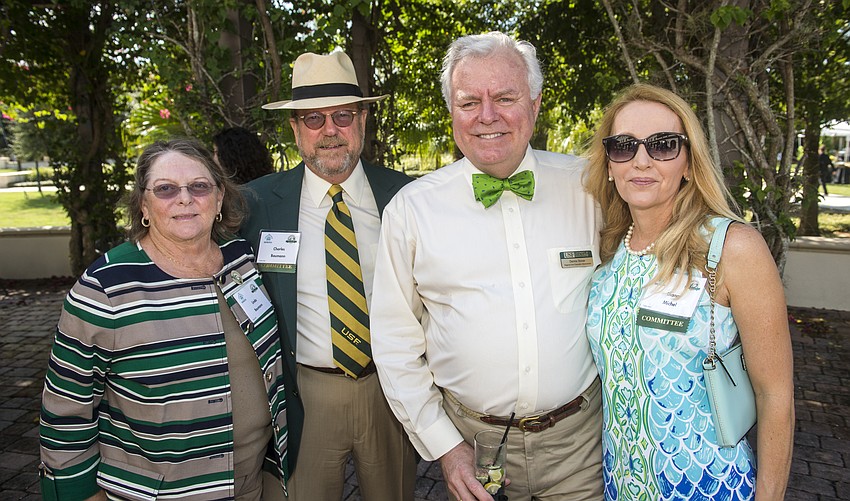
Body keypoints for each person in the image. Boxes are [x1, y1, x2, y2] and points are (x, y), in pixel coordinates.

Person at [371, 31, 604, 501]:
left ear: (535, 105)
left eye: (505, 98)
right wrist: (444, 445)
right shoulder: (412, 211)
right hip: (476, 450)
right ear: (452, 112)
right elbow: (395, 343)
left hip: (581, 447)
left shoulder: (590, 188)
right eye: (469, 102)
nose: (487, 116)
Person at [38, 139, 289, 500]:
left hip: (253, 481)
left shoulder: (242, 258)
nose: (184, 199)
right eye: (166, 189)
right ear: (143, 204)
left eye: (199, 186)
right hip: (162, 492)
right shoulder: (106, 287)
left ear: (219, 197)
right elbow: (66, 410)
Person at [583, 83, 794, 500]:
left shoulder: (732, 248)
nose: (641, 160)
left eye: (663, 145)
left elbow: (776, 396)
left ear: (689, 163)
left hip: (708, 485)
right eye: (623, 146)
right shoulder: (608, 249)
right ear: (608, 164)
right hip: (621, 488)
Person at [240, 51, 417, 500]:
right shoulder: (257, 204)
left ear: (362, 120)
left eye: (342, 115)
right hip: (305, 395)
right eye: (314, 118)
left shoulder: (406, 197)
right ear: (295, 128)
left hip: (391, 390)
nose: (330, 130)